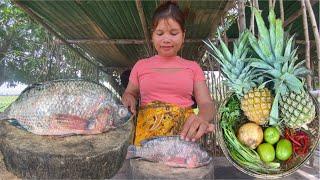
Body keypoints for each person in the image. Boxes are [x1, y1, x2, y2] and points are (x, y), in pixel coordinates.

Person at [121, 1, 215, 146]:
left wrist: (202, 117)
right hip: (146, 141)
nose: (166, 39)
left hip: (183, 139)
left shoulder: (193, 68)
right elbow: (130, 93)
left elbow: (206, 104)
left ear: (183, 36)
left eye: (173, 33)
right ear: (152, 35)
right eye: (160, 33)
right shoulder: (141, 66)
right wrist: (128, 98)